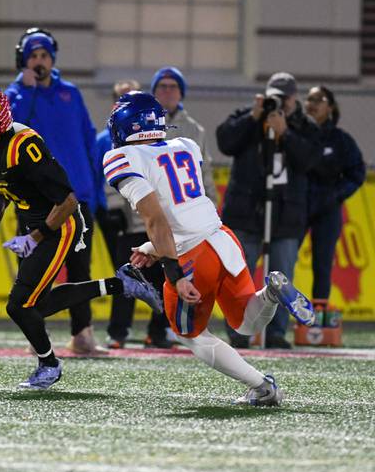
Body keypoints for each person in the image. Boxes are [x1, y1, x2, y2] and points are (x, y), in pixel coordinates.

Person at [104, 91, 315, 405]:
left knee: (191, 335)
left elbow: (157, 218)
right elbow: (182, 209)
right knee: (245, 321)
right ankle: (271, 293)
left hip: (192, 254)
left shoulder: (122, 157)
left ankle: (263, 387)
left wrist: (174, 273)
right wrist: (153, 247)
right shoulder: (185, 145)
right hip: (221, 237)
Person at [0, 86, 163, 390]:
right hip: (31, 216)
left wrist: (35, 237)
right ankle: (122, 283)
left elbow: (67, 201)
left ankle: (49, 365)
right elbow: (13, 184)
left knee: (19, 306)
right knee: (32, 304)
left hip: (59, 220)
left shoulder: (23, 146)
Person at [5, 28, 106, 354]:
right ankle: (37, 335)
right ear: (23, 59)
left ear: (52, 59)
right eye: (33, 56)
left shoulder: (70, 93)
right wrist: (27, 93)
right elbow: (9, 139)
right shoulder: (15, 97)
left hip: (77, 194)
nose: (39, 61)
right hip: (37, 199)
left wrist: (95, 186)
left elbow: (88, 139)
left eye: (44, 55)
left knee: (80, 268)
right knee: (36, 269)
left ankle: (83, 333)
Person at [216, 71, 322, 349]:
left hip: (286, 216)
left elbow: (311, 160)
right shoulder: (249, 116)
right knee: (240, 273)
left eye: (284, 98)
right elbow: (225, 142)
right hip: (246, 213)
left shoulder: (305, 126)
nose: (279, 103)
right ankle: (239, 330)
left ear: (294, 98)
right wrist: (253, 117)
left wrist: (285, 131)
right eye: (274, 96)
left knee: (282, 276)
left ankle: (276, 333)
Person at [96, 79, 172, 349]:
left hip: (155, 216)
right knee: (127, 276)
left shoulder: (160, 140)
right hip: (128, 220)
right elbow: (103, 179)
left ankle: (161, 329)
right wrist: (112, 209)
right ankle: (118, 331)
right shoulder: (106, 140)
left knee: (165, 278)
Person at [304, 86, 365, 302]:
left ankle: (318, 323)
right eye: (308, 99)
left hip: (327, 210)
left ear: (330, 107)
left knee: (322, 265)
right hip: (295, 208)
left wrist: (337, 195)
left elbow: (357, 172)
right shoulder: (295, 134)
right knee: (284, 261)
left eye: (318, 99)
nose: (312, 104)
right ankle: (276, 322)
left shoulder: (340, 140)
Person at [150, 67, 217, 203]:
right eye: (162, 86)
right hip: (150, 204)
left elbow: (204, 170)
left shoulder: (195, 130)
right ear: (154, 92)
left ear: (181, 93)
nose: (168, 91)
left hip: (185, 206)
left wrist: (211, 204)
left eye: (173, 86)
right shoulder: (142, 125)